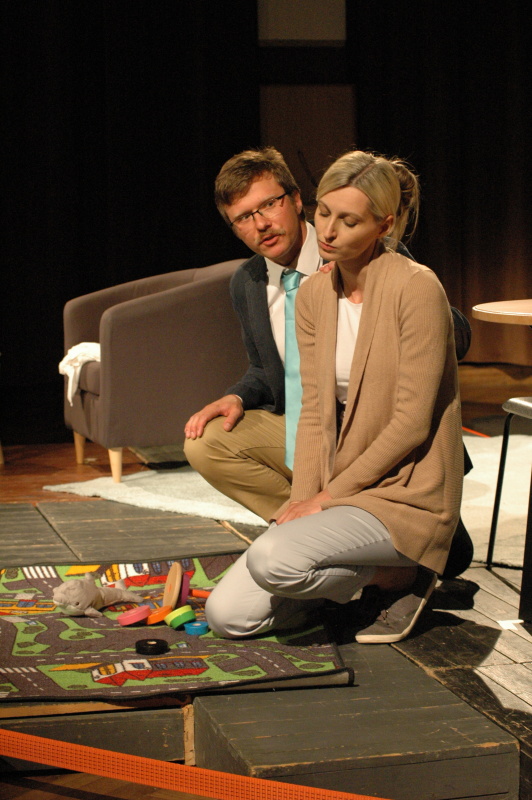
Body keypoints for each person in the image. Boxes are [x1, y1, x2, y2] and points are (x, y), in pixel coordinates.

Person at [184, 147, 472, 638]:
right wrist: (304, 502)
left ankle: (398, 570)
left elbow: (414, 417)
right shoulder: (300, 291)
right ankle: (352, 572)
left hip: (403, 479)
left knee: (274, 560)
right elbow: (310, 408)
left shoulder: (410, 282)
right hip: (336, 459)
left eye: (268, 205)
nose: (330, 232)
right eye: (326, 215)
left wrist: (324, 498)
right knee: (229, 616)